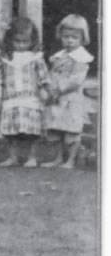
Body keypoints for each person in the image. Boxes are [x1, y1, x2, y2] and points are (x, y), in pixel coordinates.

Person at [0, 16, 50, 168]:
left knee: (31, 131)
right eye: (17, 42)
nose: (21, 45)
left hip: (30, 98)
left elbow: (43, 75)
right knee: (11, 131)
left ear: (32, 41)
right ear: (10, 40)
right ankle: (12, 156)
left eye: (26, 42)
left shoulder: (35, 57)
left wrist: (44, 89)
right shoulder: (4, 58)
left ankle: (32, 156)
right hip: (10, 98)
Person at [44, 14, 94, 169]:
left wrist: (60, 89)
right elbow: (53, 74)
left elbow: (76, 80)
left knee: (71, 131)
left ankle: (71, 160)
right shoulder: (59, 56)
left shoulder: (81, 58)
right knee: (57, 128)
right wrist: (50, 88)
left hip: (70, 98)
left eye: (74, 37)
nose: (70, 40)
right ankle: (58, 157)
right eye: (66, 36)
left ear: (82, 38)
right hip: (57, 97)